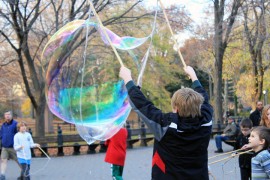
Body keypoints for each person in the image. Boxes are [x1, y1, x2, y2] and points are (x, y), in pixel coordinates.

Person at [119, 66, 213, 179]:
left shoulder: (166, 126)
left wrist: (128, 79)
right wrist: (193, 76)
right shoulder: (206, 121)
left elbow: (143, 105)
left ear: (176, 109)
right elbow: (204, 98)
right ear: (199, 106)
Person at [0, 111, 21, 180]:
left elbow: (19, 135)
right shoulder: (3, 125)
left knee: (19, 161)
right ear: (4, 116)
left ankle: (24, 173)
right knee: (3, 160)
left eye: (9, 114)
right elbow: (1, 135)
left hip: (14, 147)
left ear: (11, 116)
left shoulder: (16, 124)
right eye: (6, 114)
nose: (7, 116)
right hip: (5, 147)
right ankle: (2, 175)